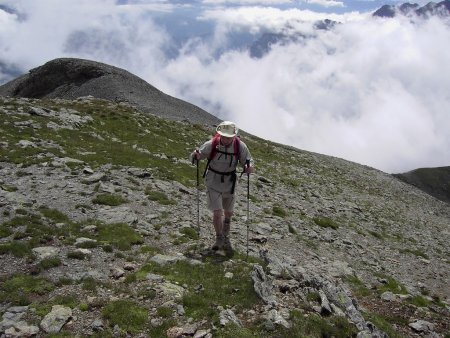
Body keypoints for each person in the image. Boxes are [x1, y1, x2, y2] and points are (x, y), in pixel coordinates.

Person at [191, 121, 254, 254]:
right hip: (213, 181)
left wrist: (248, 167)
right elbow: (199, 155)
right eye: (223, 136)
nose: (225, 139)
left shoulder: (240, 146)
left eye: (228, 137)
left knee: (228, 212)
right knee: (217, 212)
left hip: (229, 183)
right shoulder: (211, 144)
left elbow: (247, 160)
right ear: (219, 134)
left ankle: (227, 222)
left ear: (234, 136)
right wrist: (195, 156)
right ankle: (219, 237)